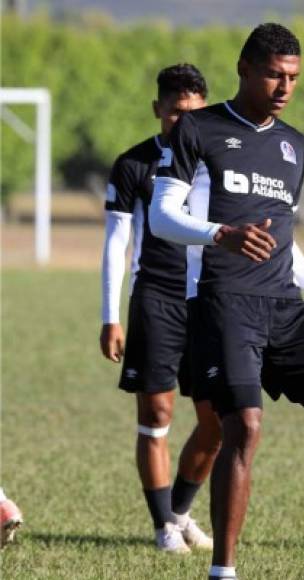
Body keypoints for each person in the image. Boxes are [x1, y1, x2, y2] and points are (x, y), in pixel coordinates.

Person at [149, 23, 304, 580]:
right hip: (222, 301)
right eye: (273, 73)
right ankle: (224, 572)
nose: (284, 86)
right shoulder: (197, 129)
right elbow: (163, 215)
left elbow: (283, 241)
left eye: (293, 76)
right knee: (243, 425)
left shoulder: (295, 145)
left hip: (283, 306)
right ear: (244, 68)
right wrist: (219, 234)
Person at [99, 64, 221, 554]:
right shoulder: (133, 165)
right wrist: (111, 315)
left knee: (217, 421)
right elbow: (116, 244)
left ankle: (182, 511)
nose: (182, 121)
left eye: (191, 113)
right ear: (158, 110)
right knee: (157, 412)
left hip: (208, 298)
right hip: (155, 298)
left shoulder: (217, 165)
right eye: (174, 112)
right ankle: (163, 526)